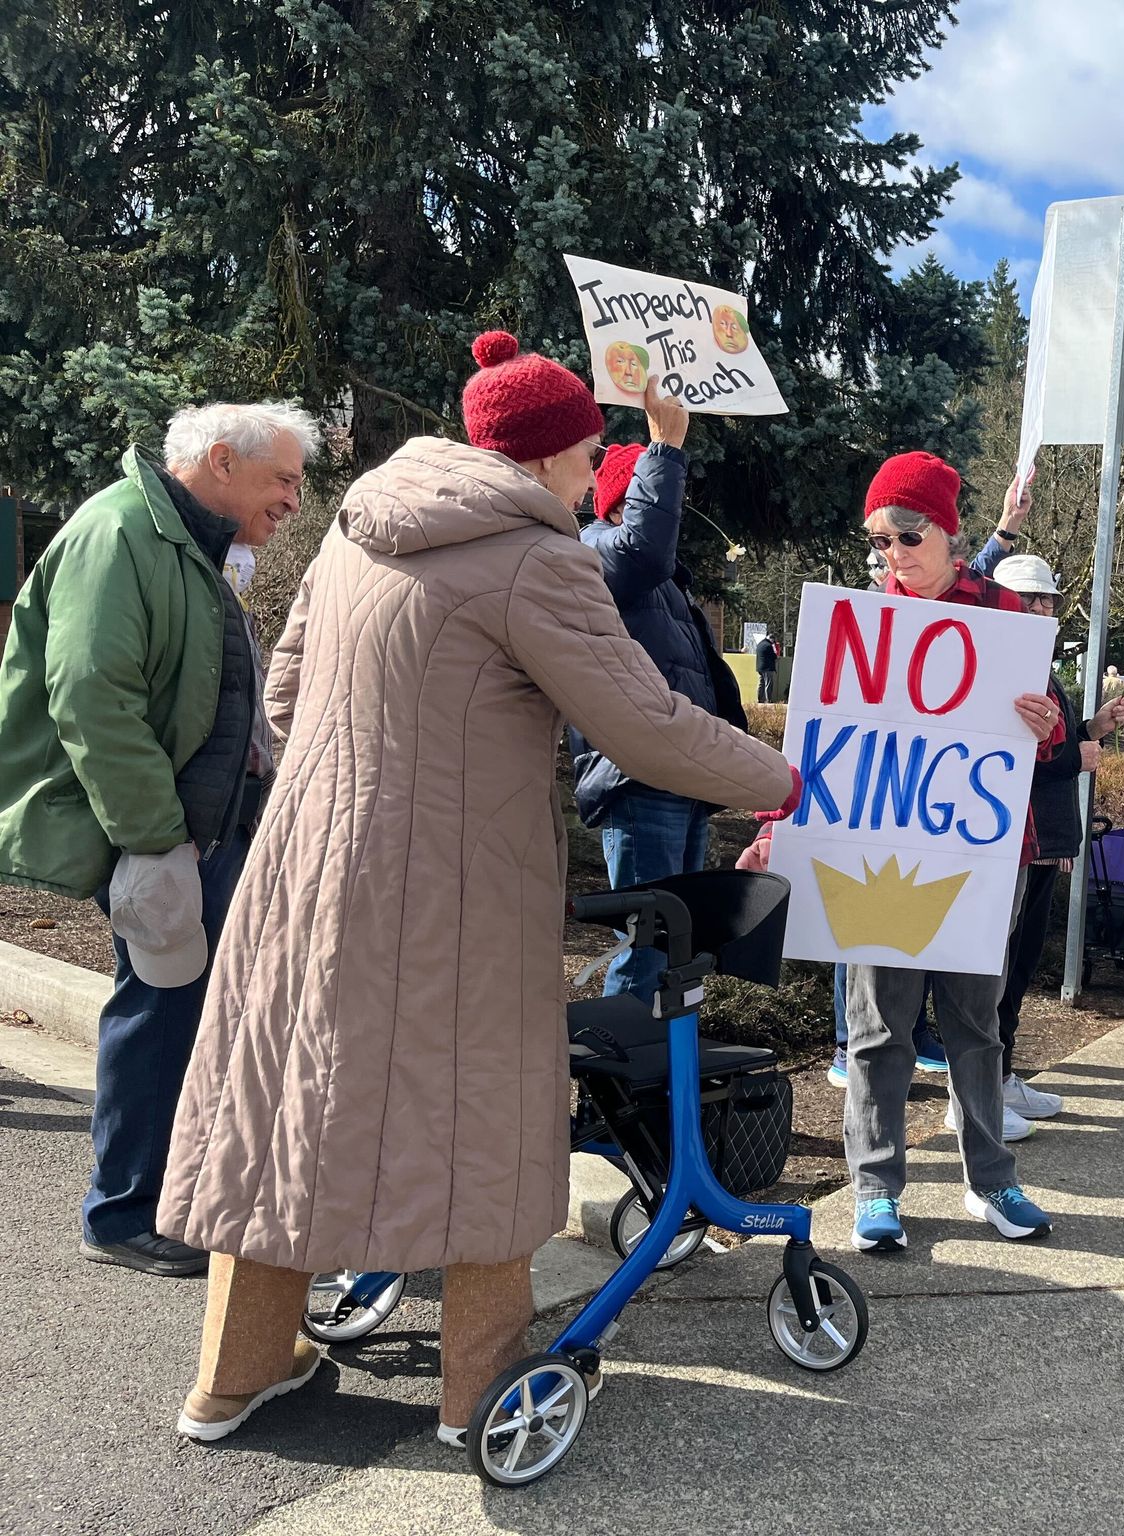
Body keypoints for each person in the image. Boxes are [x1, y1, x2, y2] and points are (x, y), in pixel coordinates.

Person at [154, 332, 796, 1446]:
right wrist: (787, 776)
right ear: (546, 456)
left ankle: (235, 1373)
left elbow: (285, 692)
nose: (597, 472)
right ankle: (481, 1387)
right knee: (478, 1116)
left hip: (303, 871)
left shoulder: (354, 534)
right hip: (455, 883)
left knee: (285, 1100)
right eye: (592, 452)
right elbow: (642, 723)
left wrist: (354, 789)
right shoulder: (532, 558)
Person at [0, 401, 318, 1278]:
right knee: (158, 1011)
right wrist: (154, 841)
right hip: (163, 836)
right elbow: (93, 696)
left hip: (194, 831)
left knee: (181, 1010)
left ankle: (168, 1197)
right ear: (221, 461)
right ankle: (123, 1213)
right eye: (283, 479)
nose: (294, 499)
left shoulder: (181, 539)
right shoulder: (119, 534)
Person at [744, 451, 1065, 1255]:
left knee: (975, 1026)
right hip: (877, 855)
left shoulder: (1007, 616)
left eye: (907, 533)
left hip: (984, 858)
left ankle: (990, 1181)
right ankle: (877, 1188)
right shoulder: (854, 624)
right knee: (879, 1029)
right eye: (878, 540)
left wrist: (1044, 723)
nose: (892, 553)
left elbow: (1052, 728)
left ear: (950, 531)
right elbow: (820, 749)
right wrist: (773, 825)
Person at [572, 398, 752, 1008]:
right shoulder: (599, 551)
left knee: (678, 944)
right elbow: (646, 546)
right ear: (629, 502)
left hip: (679, 779)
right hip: (640, 779)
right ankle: (623, 1080)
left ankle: (666, 1075)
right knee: (647, 949)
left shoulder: (664, 587)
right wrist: (665, 446)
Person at [990, 553, 1124, 1122]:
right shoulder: (1001, 664)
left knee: (1018, 965)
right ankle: (980, 1085)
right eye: (1028, 598)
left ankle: (999, 1075)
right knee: (999, 966)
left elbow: (1054, 744)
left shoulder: (1038, 665)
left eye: (1046, 599)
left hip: (1045, 837)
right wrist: (1077, 753)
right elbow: (1012, 752)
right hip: (1018, 837)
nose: (1041, 607)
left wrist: (1088, 730)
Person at [752, 628, 780, 702]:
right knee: (768, 684)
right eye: (773, 641)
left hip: (760, 668)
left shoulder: (760, 644)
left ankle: (759, 699)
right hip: (768, 668)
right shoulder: (768, 645)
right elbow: (773, 656)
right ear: (771, 639)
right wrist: (776, 656)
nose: (773, 643)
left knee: (761, 684)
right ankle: (768, 700)